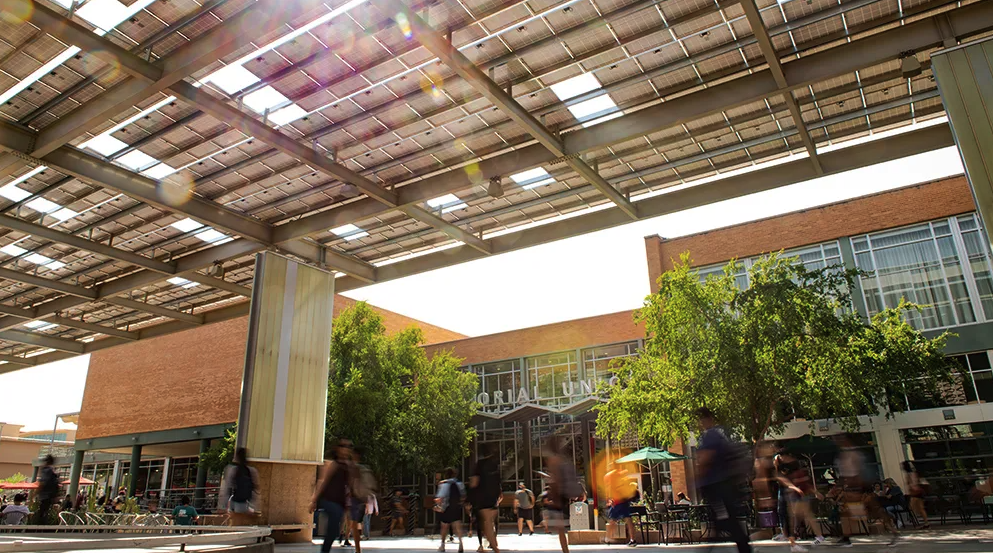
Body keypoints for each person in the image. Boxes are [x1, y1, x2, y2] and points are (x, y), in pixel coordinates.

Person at [693, 407, 751, 553]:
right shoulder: (719, 435)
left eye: (700, 420)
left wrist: (697, 478)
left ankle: (735, 542)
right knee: (726, 518)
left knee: (725, 519)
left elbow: (706, 458)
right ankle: (739, 544)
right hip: (724, 483)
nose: (699, 423)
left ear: (705, 420)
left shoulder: (710, 436)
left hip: (716, 484)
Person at [775, 451, 825, 550]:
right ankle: (817, 536)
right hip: (796, 493)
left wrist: (813, 492)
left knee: (795, 517)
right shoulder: (787, 467)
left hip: (796, 494)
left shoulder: (793, 468)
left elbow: (803, 482)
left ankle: (794, 540)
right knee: (806, 515)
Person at [311, 439, 353, 553]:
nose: (346, 449)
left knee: (334, 531)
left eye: (348, 447)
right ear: (338, 449)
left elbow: (351, 486)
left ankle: (325, 550)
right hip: (328, 499)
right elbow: (322, 482)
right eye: (343, 446)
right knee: (335, 514)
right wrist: (314, 500)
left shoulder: (348, 466)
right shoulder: (332, 464)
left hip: (340, 501)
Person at [545, 435, 580, 553]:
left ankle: (565, 550)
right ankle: (565, 550)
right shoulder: (563, 458)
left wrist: (554, 499)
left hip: (558, 497)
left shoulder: (553, 460)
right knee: (561, 529)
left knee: (560, 529)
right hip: (565, 496)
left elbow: (557, 479)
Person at [469, 443, 501, 553]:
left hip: (482, 498)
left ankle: (494, 548)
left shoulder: (480, 464)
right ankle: (492, 544)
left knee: (485, 523)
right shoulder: (495, 465)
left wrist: (470, 498)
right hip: (493, 498)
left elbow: (474, 482)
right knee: (490, 523)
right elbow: (498, 482)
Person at [219, 447, 260, 526]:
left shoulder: (232, 470)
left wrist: (222, 506)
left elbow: (226, 488)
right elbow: (256, 489)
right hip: (247, 504)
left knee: (236, 525)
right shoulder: (251, 471)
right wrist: (255, 507)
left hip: (235, 503)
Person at [349, 446, 376, 553]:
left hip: (359, 499)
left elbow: (370, 485)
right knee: (354, 524)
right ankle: (357, 549)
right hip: (354, 499)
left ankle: (358, 549)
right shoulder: (351, 468)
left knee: (355, 524)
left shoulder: (362, 470)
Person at [604, 463, 638, 547]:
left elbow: (610, 488)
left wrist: (609, 499)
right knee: (628, 520)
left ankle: (608, 538)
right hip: (624, 500)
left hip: (617, 501)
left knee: (612, 520)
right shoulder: (623, 475)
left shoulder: (611, 475)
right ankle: (633, 539)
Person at [436, 467, 466, 553]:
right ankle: (460, 543)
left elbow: (440, 498)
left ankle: (442, 545)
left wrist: (438, 506)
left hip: (446, 508)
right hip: (456, 507)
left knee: (444, 527)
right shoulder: (459, 483)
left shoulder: (444, 484)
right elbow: (463, 496)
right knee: (457, 526)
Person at [901, 461, 929, 529]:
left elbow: (911, 484)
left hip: (915, 492)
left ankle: (922, 522)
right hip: (918, 492)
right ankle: (925, 522)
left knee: (914, 508)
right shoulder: (915, 473)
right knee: (919, 508)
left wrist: (910, 490)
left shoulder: (909, 474)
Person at [34, 455, 59, 524]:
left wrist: (35, 493)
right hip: (50, 495)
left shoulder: (46, 470)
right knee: (45, 511)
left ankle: (40, 526)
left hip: (45, 495)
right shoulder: (53, 471)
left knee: (42, 512)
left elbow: (43, 483)